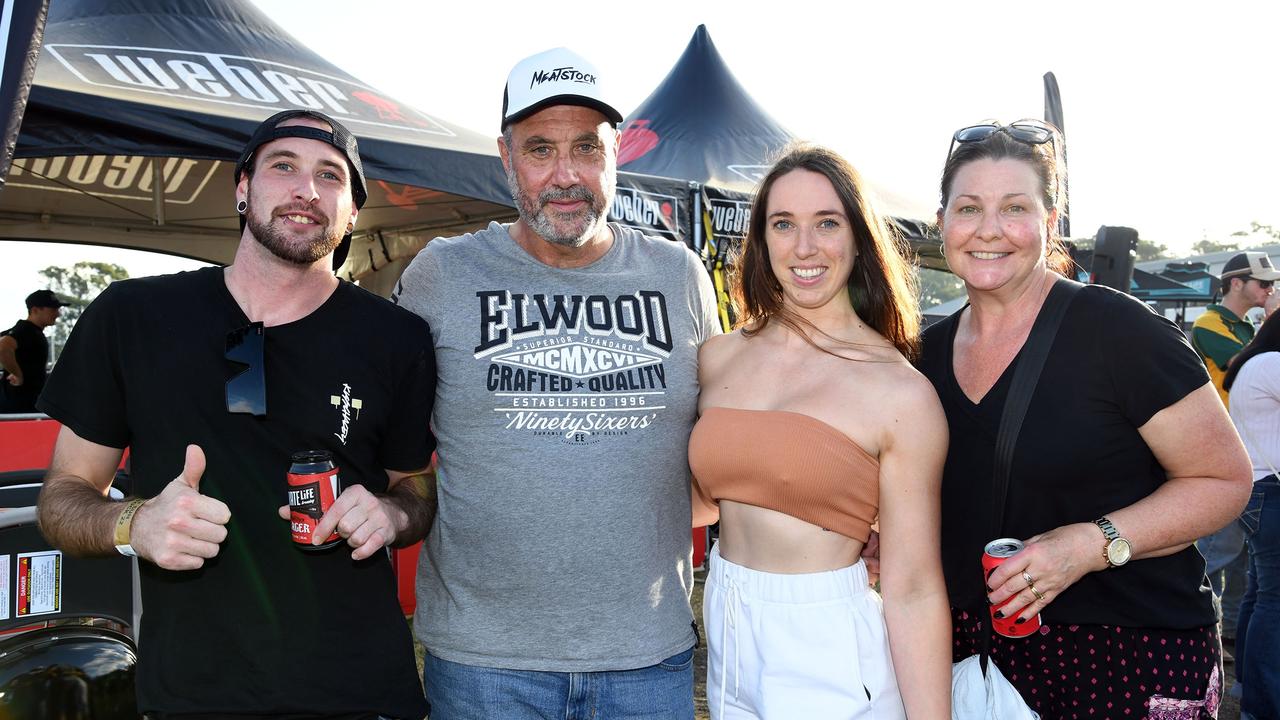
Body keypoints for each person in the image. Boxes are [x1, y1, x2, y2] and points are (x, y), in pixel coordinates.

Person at [35, 109, 436, 719]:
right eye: (283, 167)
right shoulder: (134, 316)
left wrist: (390, 512)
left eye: (331, 176)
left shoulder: (398, 338)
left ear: (353, 212)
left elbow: (417, 490)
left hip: (358, 692)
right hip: (192, 694)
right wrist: (133, 524)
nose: (306, 190)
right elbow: (63, 499)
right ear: (243, 189)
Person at [392, 47, 719, 720]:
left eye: (586, 149)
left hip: (647, 658)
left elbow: (730, 436)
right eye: (540, 150)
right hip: (484, 666)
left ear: (616, 152)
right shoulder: (442, 275)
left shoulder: (679, 275)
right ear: (506, 157)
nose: (566, 176)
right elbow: (385, 434)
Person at [917, 119, 1254, 718]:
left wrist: (1089, 546)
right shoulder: (923, 355)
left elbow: (1223, 481)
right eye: (968, 208)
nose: (989, 230)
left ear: (1050, 225)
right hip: (975, 664)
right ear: (941, 222)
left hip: (1129, 657)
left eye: (1014, 207)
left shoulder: (1117, 331)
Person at [688, 145, 950, 718]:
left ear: (858, 238)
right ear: (761, 239)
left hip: (826, 641)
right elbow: (699, 503)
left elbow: (913, 589)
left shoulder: (899, 393)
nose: (804, 248)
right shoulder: (717, 359)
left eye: (826, 223)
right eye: (784, 224)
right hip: (726, 626)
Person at [1223, 310, 1280, 718]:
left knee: (1259, 594)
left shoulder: (1252, 362)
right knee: (1273, 602)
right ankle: (1262, 706)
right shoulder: (1273, 363)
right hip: (1272, 490)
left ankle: (1247, 686)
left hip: (1257, 488)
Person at [0, 289, 69, 413]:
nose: (58, 314)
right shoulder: (26, 331)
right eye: (53, 309)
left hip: (26, 405)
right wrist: (16, 374)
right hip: (19, 407)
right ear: (35, 310)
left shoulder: (30, 332)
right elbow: (3, 346)